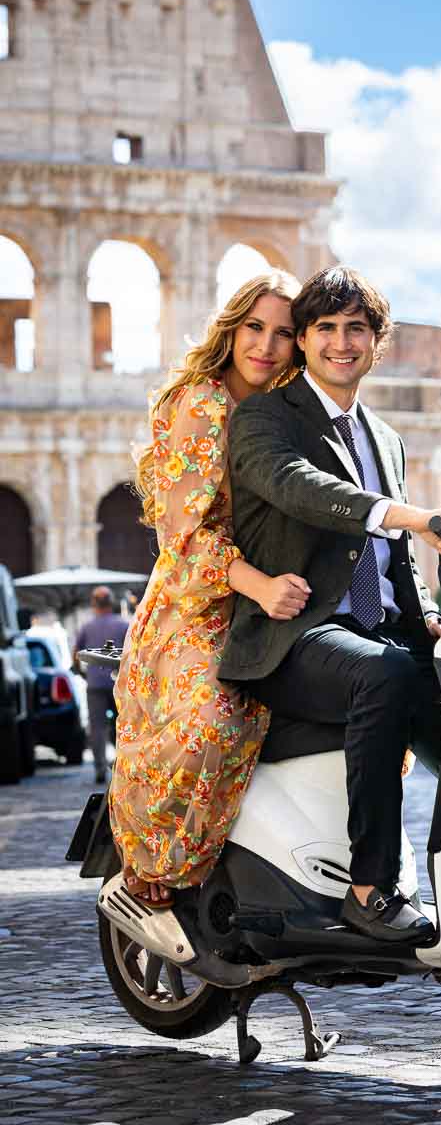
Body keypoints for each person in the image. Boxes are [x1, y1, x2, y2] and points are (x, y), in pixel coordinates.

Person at [219, 266, 441, 944]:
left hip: (382, 634)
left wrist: (428, 620)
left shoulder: (386, 438)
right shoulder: (265, 418)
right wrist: (410, 516)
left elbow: (395, 563)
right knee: (383, 676)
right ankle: (369, 890)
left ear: (376, 341)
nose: (340, 342)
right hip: (293, 638)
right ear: (302, 341)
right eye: (325, 328)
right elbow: (300, 487)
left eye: (355, 328)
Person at [109, 271, 309, 909]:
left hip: (274, 594)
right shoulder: (204, 401)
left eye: (283, 333)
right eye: (256, 327)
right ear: (232, 327)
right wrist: (260, 585)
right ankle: (151, 864)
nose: (267, 346)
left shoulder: (287, 409)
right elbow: (185, 536)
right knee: (212, 719)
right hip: (196, 604)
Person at [73, 587, 129, 783]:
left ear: (93, 604)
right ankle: (123, 766)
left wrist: (82, 673)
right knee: (124, 724)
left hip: (95, 684)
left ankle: (99, 769)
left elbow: (76, 654)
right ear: (111, 603)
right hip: (120, 683)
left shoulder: (86, 627)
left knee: (97, 728)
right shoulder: (124, 625)